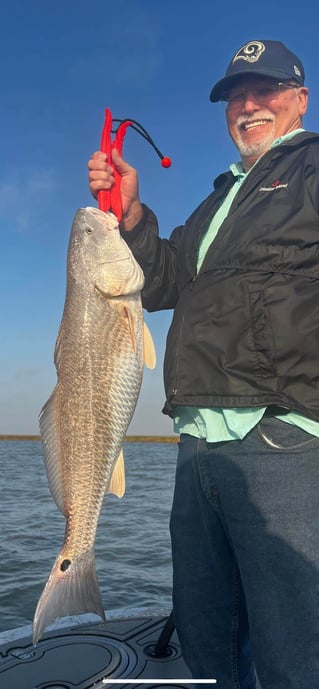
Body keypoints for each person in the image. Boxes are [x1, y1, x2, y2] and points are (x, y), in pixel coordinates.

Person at [88, 39, 319, 689]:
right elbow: (158, 282)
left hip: (283, 438)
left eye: (264, 89)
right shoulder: (218, 199)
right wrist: (131, 211)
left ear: (299, 99)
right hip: (198, 449)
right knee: (209, 636)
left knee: (293, 650)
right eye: (234, 96)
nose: (246, 105)